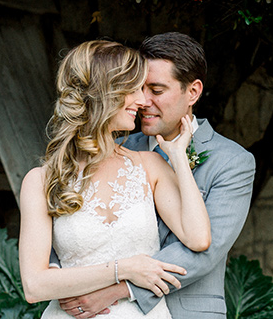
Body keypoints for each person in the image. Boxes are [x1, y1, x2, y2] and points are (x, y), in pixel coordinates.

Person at [58, 32, 256, 319]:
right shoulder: (119, 148)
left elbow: (204, 252)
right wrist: (60, 276)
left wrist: (117, 289)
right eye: (138, 88)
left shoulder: (233, 162)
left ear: (193, 92)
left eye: (157, 90)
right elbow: (75, 220)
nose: (143, 101)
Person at [19, 40, 212, 318]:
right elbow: (34, 286)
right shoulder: (41, 181)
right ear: (104, 94)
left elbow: (198, 238)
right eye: (133, 89)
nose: (143, 101)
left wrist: (179, 157)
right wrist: (126, 268)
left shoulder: (150, 166)